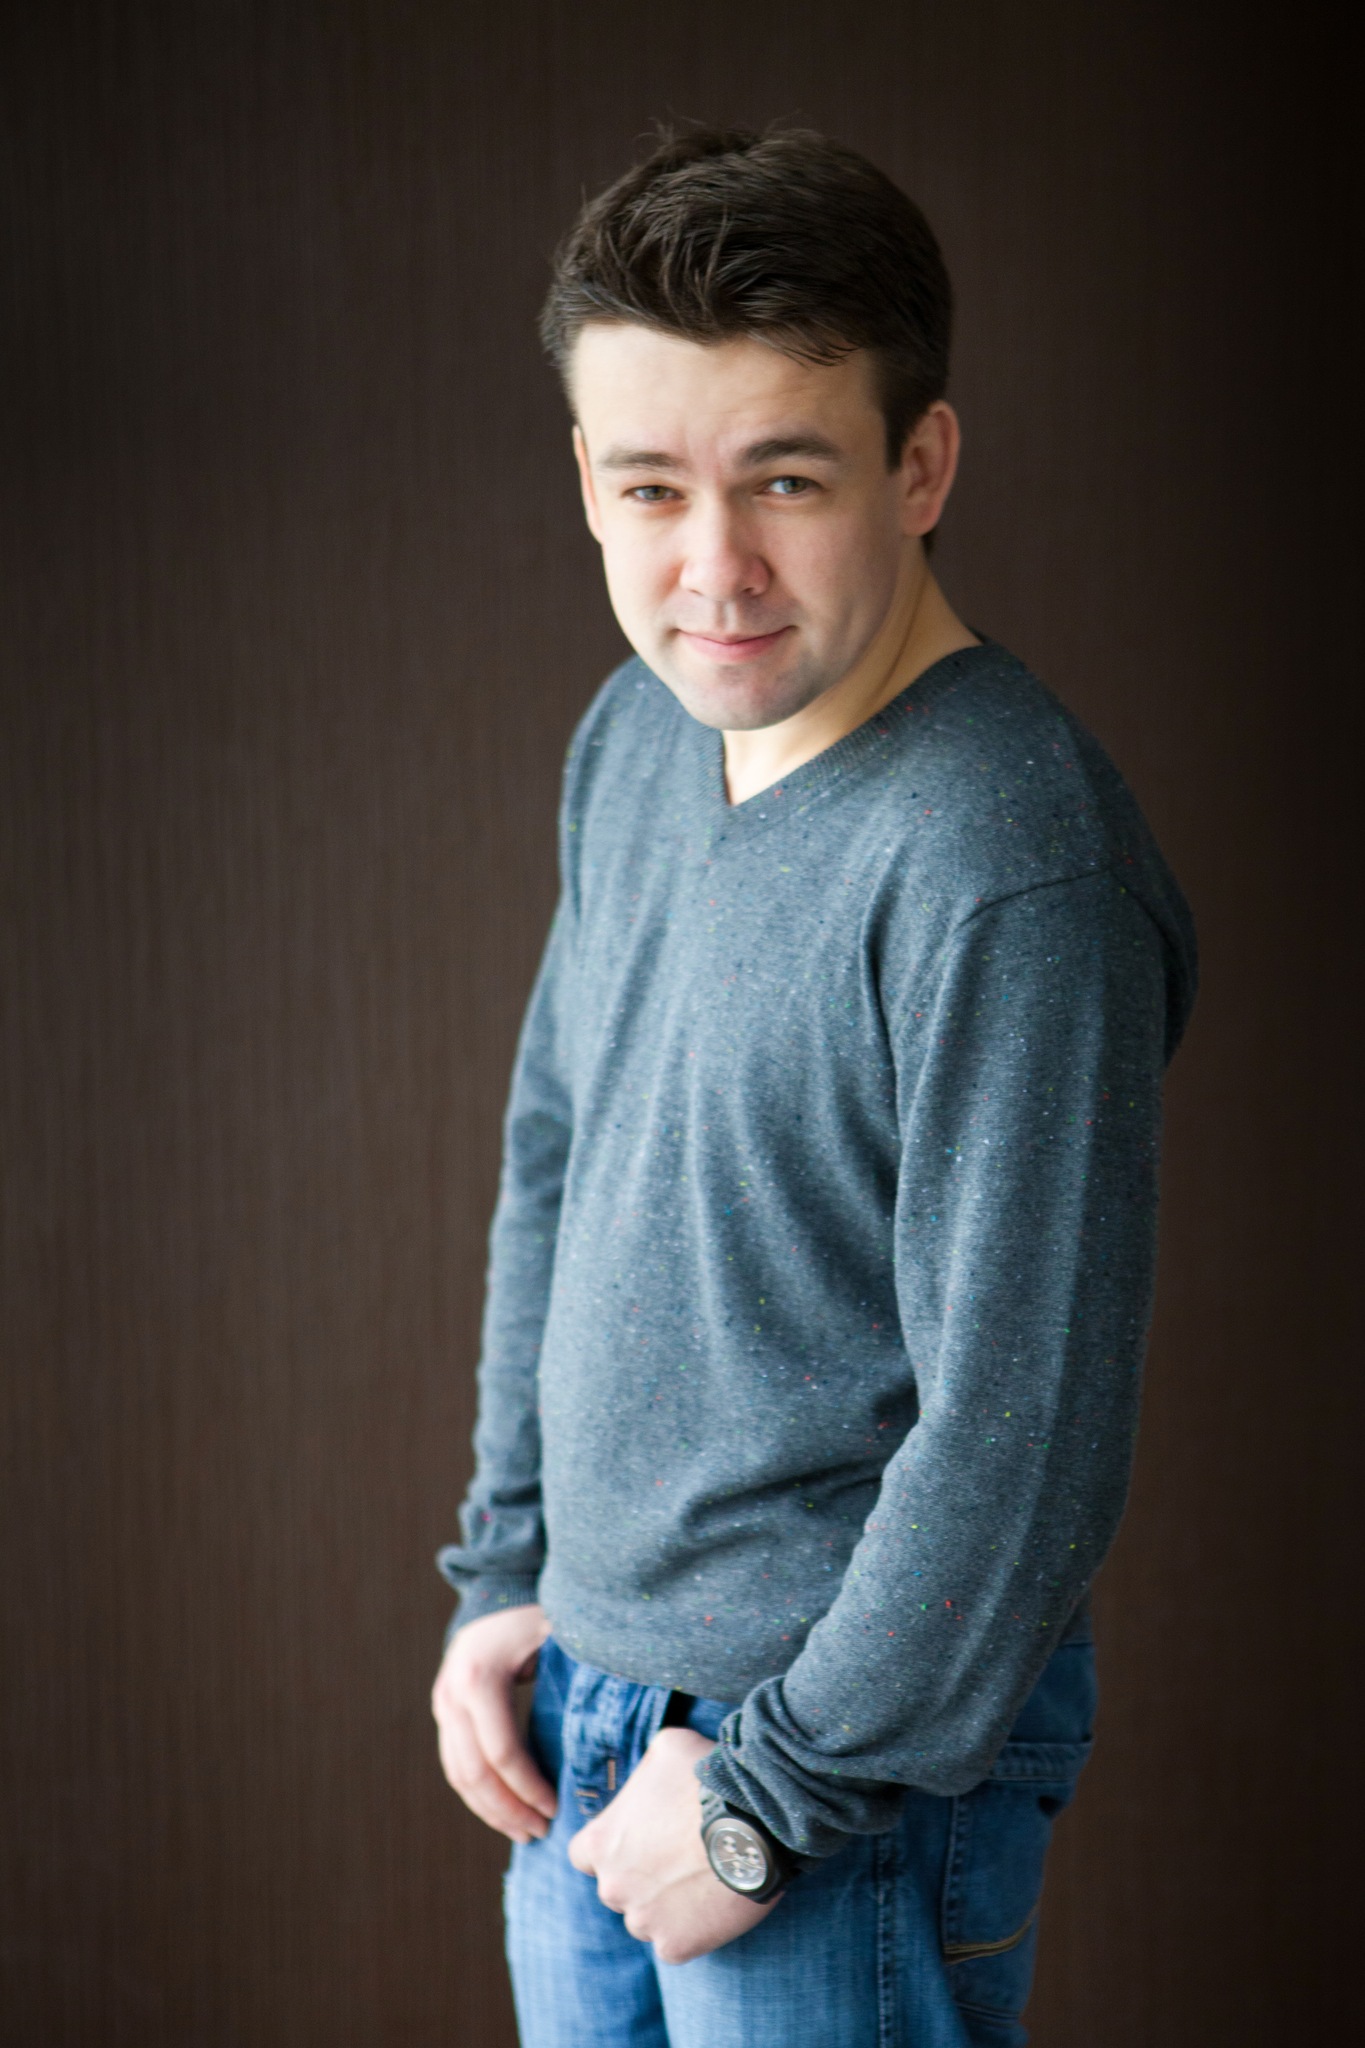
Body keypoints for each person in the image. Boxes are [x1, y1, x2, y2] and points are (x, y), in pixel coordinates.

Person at [430, 126, 1196, 2048]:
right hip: (586, 1709)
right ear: (586, 480)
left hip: (832, 1786)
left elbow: (1023, 1432)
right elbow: (559, 1162)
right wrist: (508, 1569)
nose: (713, 571)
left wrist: (769, 1801)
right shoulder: (636, 734)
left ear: (918, 466)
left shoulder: (1007, 861)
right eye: (649, 487)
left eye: (784, 477)